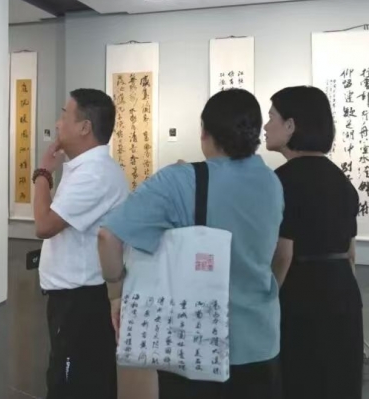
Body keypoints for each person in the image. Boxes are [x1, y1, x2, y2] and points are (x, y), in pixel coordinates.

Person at [98, 89, 283, 399]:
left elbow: (107, 237)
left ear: (204, 132)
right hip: (261, 343)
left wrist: (115, 295)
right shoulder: (271, 182)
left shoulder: (178, 180)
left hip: (196, 346)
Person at [264, 86, 363, 399]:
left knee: (300, 382)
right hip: (344, 295)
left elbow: (283, 254)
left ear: (291, 125)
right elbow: (350, 253)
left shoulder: (281, 180)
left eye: (271, 117)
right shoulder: (342, 181)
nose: (265, 126)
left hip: (301, 296)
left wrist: (265, 302)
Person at [34, 88, 129, 399]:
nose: (58, 123)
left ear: (85, 127)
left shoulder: (94, 174)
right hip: (77, 298)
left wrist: (42, 173)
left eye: (65, 115)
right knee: (83, 379)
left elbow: (44, 225)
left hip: (80, 301)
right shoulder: (86, 169)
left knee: (72, 384)